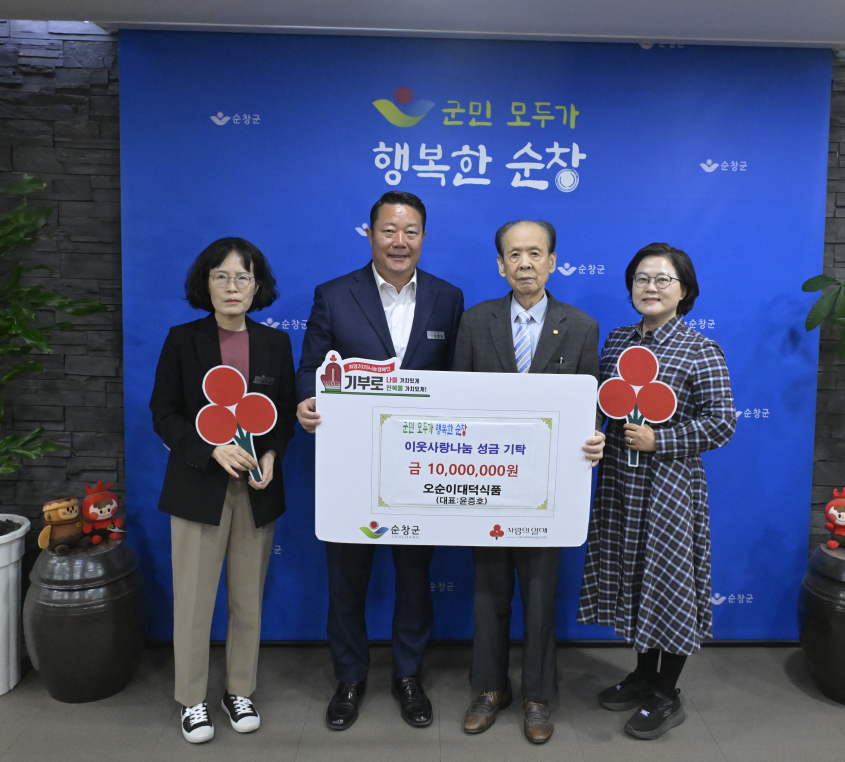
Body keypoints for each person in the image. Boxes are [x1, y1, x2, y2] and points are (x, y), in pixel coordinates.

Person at [296, 191, 464, 731]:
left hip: (420, 467)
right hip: (351, 466)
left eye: (411, 231)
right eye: (389, 230)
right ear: (369, 234)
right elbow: (310, 369)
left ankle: (408, 675)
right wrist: (306, 401)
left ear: (423, 237)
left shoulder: (448, 298)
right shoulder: (333, 294)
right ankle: (349, 677)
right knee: (347, 579)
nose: (399, 241)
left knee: (415, 577)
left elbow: (460, 378)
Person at [453, 219, 606, 744]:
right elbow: (456, 403)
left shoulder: (581, 326)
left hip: (547, 489)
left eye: (535, 253)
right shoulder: (476, 321)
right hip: (486, 482)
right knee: (488, 591)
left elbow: (591, 406)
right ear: (500, 265)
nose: (525, 263)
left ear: (553, 261)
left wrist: (596, 435)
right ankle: (489, 688)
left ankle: (538, 696)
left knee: (540, 595)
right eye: (514, 254)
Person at [578, 243, 736, 740]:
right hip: (619, 483)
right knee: (634, 579)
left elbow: (722, 423)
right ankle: (644, 674)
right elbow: (601, 406)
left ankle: (667, 693)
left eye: (663, 279)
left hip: (670, 488)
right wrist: (597, 433)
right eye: (642, 278)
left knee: (669, 584)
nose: (651, 287)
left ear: (684, 290)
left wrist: (659, 440)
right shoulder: (617, 342)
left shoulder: (700, 349)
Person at [150, 237, 297, 744]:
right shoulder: (182, 339)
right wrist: (211, 449)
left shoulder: (275, 344)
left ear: (257, 287)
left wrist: (272, 455)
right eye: (221, 276)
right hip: (198, 487)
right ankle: (192, 699)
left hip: (255, 489)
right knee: (193, 602)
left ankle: (240, 690)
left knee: (248, 601)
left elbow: (283, 415)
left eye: (243, 277)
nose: (232, 287)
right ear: (205, 283)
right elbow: (164, 413)